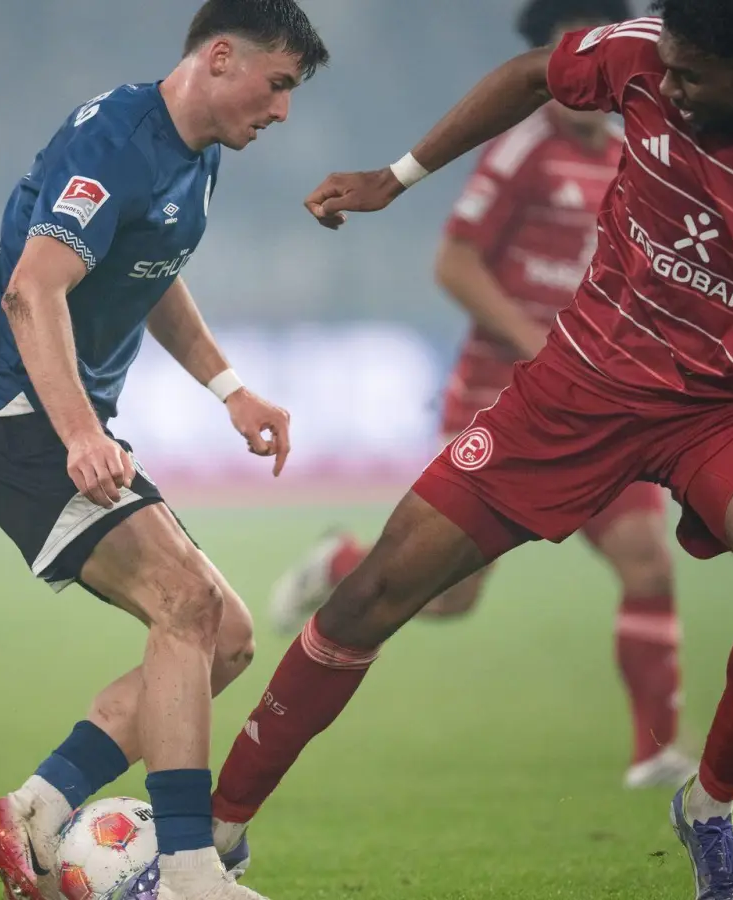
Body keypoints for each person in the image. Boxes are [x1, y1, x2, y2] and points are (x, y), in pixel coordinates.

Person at [209, 1, 733, 897]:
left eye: (691, 78)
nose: (667, 87)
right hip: (578, 385)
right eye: (668, 69)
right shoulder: (646, 55)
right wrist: (396, 176)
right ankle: (216, 838)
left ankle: (709, 811)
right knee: (376, 592)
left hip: (721, 409)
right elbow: (536, 73)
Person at [0, 2, 326, 898]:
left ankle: (32, 812)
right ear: (220, 58)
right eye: (277, 87)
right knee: (185, 602)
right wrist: (80, 432)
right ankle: (190, 872)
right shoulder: (116, 139)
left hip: (58, 421)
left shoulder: (196, 155)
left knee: (223, 636)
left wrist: (230, 389)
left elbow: (156, 272)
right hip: (16, 419)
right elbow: (33, 290)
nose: (281, 113)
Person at [267, 0, 696, 791]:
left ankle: (654, 752)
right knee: (450, 594)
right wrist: (547, 349)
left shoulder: (633, 151)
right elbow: (454, 263)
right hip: (509, 397)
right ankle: (343, 560)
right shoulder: (520, 150)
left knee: (646, 562)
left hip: (602, 404)